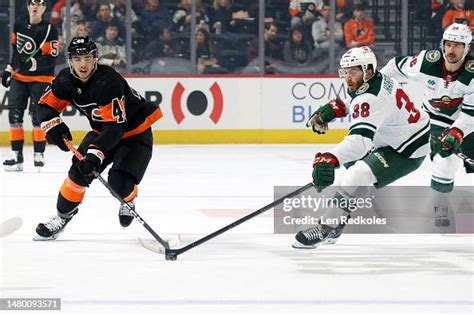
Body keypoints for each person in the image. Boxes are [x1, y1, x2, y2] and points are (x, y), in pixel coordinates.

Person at [293, 46, 431, 248]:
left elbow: (360, 142)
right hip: (395, 137)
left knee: (357, 174)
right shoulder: (375, 78)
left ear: (367, 70)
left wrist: (330, 158)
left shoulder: (371, 98)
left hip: (408, 149)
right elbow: (353, 98)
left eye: (353, 72)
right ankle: (337, 223)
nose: (348, 78)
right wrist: (334, 108)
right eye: (345, 72)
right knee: (347, 176)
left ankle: (325, 228)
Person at [33, 37, 163, 240]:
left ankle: (127, 201)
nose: (82, 64)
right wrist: (53, 127)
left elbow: (115, 126)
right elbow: (44, 107)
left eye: (87, 58)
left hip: (135, 134)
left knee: (118, 183)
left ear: (95, 59)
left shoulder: (107, 81)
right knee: (77, 175)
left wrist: (95, 153)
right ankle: (62, 217)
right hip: (103, 132)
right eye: (77, 59)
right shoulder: (65, 80)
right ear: (70, 61)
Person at [380, 23, 473, 230]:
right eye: (448, 44)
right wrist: (377, 87)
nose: (451, 50)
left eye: (458, 46)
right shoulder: (426, 61)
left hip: (466, 123)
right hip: (434, 120)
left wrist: (457, 132)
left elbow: (470, 114)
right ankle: (440, 203)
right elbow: (395, 66)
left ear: (467, 48)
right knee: (447, 160)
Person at [2, 0, 59, 171]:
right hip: (20, 78)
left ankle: (39, 153)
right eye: (32, 3)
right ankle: (16, 156)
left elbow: (52, 58)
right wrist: (9, 69)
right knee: (14, 115)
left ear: (43, 8)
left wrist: (35, 63)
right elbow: (16, 52)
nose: (35, 7)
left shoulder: (50, 29)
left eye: (39, 4)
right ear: (28, 6)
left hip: (41, 79)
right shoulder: (19, 24)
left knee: (37, 117)